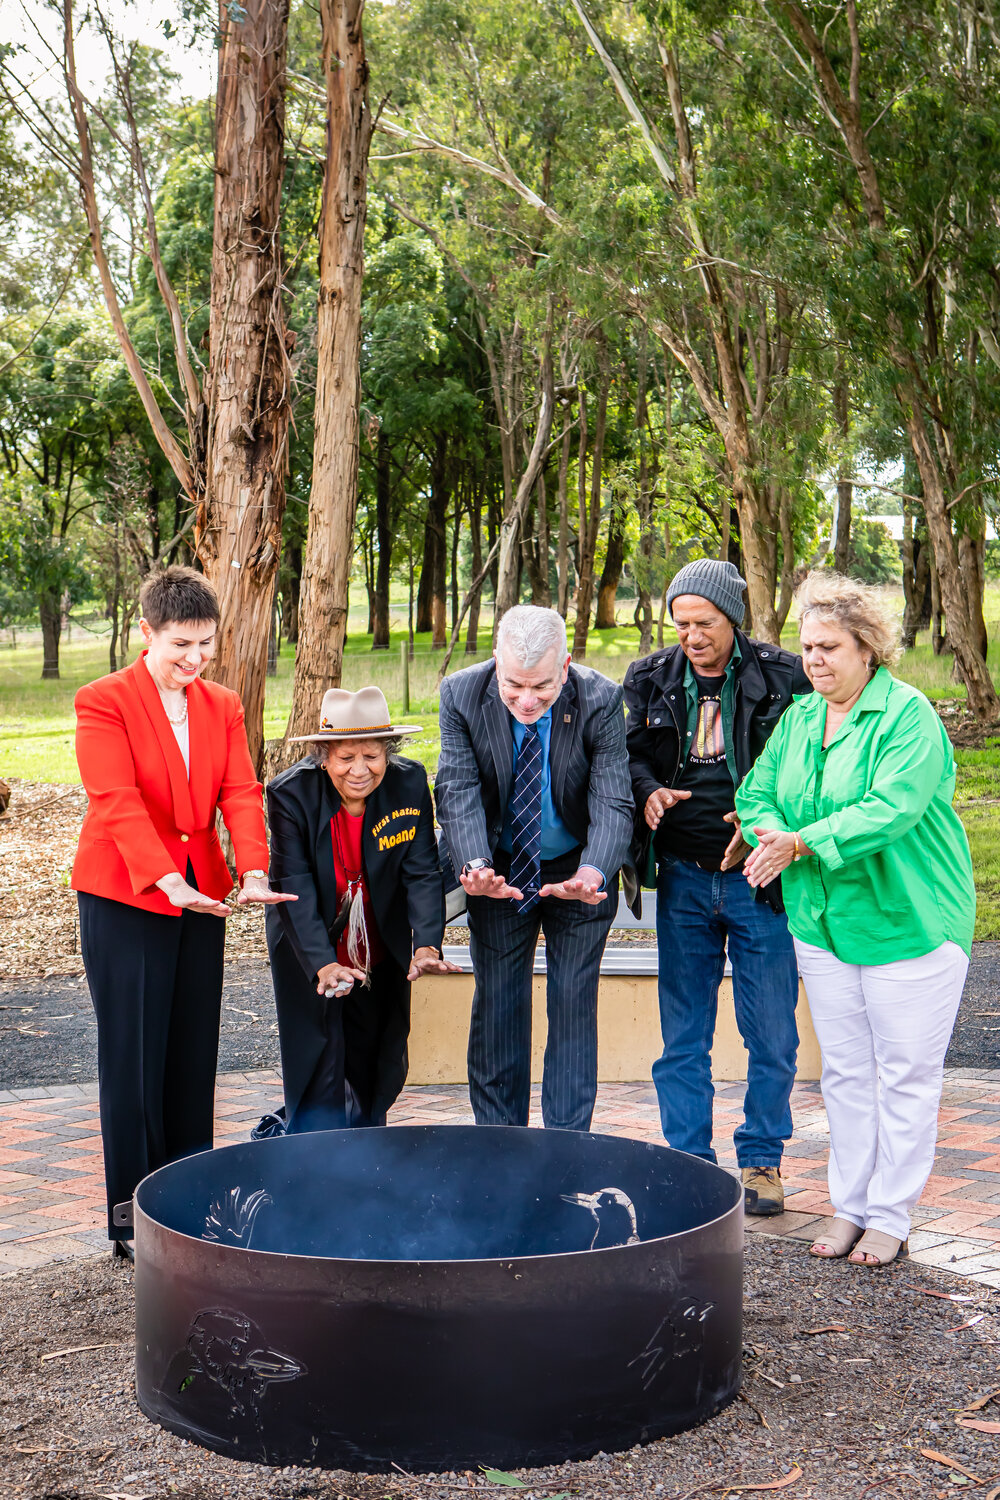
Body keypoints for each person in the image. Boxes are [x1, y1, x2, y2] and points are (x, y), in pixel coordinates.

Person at [735, 572, 975, 1266]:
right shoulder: (802, 717)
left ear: (867, 648)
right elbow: (756, 792)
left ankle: (890, 1215)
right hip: (823, 923)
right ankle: (850, 1206)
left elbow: (890, 808)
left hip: (909, 924)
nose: (815, 660)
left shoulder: (908, 717)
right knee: (844, 1073)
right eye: (808, 647)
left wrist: (800, 841)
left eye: (830, 647)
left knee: (902, 1074)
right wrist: (770, 831)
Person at [71, 566, 294, 1261]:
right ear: (146, 634)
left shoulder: (220, 703)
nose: (194, 660)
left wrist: (253, 869)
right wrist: (166, 880)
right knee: (135, 1060)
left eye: (205, 643)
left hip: (204, 893)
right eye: (180, 645)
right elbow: (114, 800)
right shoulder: (102, 701)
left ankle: (188, 1208)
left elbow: (239, 788)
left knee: (192, 1055)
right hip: (127, 894)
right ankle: (131, 1221)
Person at [623, 558, 811, 1216]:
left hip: (758, 882)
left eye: (704, 623)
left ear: (733, 618)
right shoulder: (650, 677)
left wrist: (760, 821)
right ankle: (688, 1162)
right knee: (684, 1036)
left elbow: (808, 764)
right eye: (681, 623)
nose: (691, 636)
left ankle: (762, 1160)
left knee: (772, 1035)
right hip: (682, 877)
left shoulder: (783, 676)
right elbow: (630, 753)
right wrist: (647, 792)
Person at [435, 605, 633, 1132]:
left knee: (571, 1004)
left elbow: (613, 798)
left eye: (542, 686)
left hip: (577, 869)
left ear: (565, 667)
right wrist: (474, 864)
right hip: (498, 866)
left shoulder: (601, 699)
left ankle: (566, 1148)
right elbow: (457, 789)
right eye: (513, 685)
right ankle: (500, 1146)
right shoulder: (460, 694)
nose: (526, 701)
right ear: (495, 663)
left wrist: (594, 873)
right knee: (498, 1005)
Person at [265, 686, 458, 1132]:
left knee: (378, 1051)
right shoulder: (290, 795)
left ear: (388, 751)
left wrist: (427, 944)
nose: (359, 770)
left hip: (378, 936)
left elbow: (422, 871)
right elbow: (293, 886)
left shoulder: (408, 782)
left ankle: (368, 1146)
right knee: (318, 1052)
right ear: (323, 756)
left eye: (372, 755)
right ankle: (313, 1152)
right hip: (307, 934)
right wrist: (322, 964)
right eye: (345, 757)